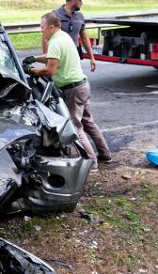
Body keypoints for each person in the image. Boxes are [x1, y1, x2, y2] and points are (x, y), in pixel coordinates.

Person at [24, 12, 111, 168]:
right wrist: (34, 58)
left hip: (72, 89)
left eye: (42, 27)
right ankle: (105, 154)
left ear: (51, 27)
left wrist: (31, 70)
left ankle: (92, 163)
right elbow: (53, 57)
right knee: (88, 122)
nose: (41, 30)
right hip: (82, 85)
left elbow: (50, 71)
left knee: (76, 128)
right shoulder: (63, 37)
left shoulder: (56, 42)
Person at [53, 0, 97, 72]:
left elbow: (84, 38)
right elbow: (46, 38)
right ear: (73, 1)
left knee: (74, 79)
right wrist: (48, 60)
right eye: (80, 0)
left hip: (74, 54)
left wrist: (92, 58)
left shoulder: (80, 16)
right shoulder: (55, 15)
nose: (82, 3)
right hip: (59, 54)